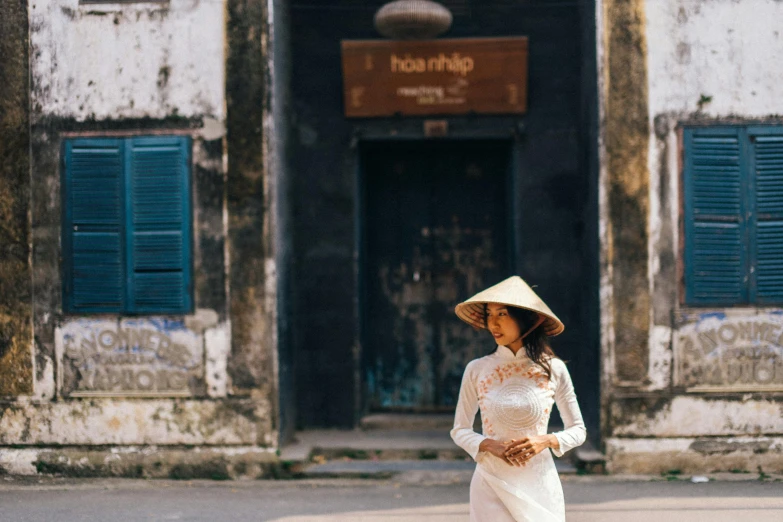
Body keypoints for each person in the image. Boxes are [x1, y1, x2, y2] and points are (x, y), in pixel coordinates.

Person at [451, 275, 586, 522]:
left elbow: (578, 430)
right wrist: (489, 444)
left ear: (527, 320)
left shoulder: (553, 369)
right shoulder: (477, 369)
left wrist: (544, 441)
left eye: (502, 314)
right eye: (489, 314)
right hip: (490, 484)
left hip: (539, 483)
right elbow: (459, 430)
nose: (493, 323)